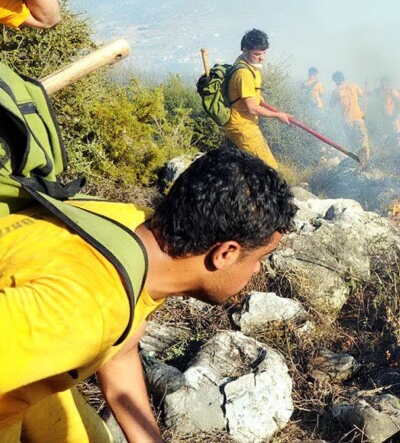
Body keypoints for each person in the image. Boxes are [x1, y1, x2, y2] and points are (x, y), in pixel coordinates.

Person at [0, 147, 298, 442]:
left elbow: (121, 349)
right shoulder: (89, 310)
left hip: (28, 363)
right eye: (259, 257)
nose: (258, 269)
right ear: (225, 253)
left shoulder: (143, 237)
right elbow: (79, 316)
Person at [224, 29, 291, 170]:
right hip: (242, 126)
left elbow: (252, 95)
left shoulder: (246, 63)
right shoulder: (244, 73)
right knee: (269, 169)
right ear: (245, 51)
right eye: (257, 54)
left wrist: (259, 98)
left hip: (245, 124)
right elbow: (252, 107)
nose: (262, 58)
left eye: (264, 53)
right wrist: (278, 115)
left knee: (249, 169)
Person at [330, 70, 370, 164]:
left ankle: (358, 164)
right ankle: (365, 165)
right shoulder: (353, 86)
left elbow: (331, 105)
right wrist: (366, 87)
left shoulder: (336, 91)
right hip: (357, 119)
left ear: (335, 81)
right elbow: (364, 95)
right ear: (343, 78)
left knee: (354, 145)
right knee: (363, 144)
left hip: (347, 122)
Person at [370, 76, 400, 148]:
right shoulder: (379, 91)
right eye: (382, 85)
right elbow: (369, 94)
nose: (384, 87)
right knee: (387, 136)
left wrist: (398, 115)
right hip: (384, 118)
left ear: (388, 84)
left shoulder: (392, 91)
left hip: (393, 117)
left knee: (397, 136)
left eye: (385, 84)